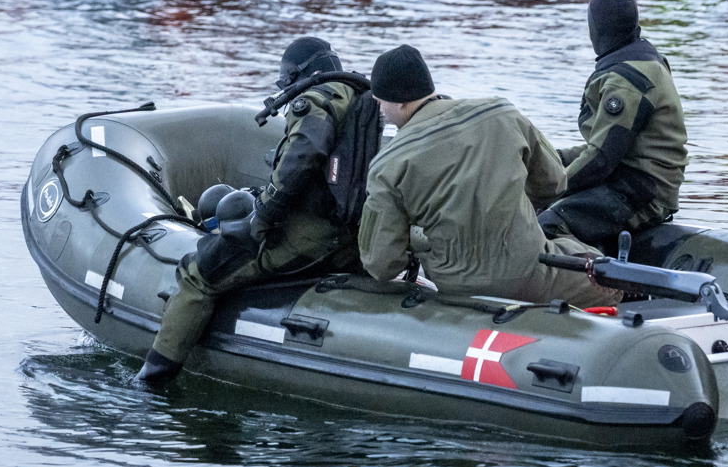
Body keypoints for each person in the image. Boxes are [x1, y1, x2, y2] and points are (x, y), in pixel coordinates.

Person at [136, 37, 372, 386]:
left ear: (298, 74)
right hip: (352, 241)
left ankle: (153, 380)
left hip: (309, 238)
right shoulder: (362, 102)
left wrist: (262, 217)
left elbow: (303, 153)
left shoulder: (314, 101)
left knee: (197, 273)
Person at [358, 45, 619, 308]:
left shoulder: (386, 164)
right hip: (531, 275)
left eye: (380, 102)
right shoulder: (501, 112)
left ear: (399, 100)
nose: (381, 111)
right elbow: (554, 183)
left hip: (456, 288)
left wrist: (418, 240)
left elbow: (381, 264)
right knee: (607, 277)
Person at [539, 0, 688, 251]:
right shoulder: (642, 62)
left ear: (595, 30)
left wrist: (551, 186)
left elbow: (600, 161)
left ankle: (586, 287)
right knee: (548, 191)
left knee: (548, 223)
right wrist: (552, 158)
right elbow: (612, 149)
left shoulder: (626, 82)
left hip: (642, 192)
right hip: (632, 179)